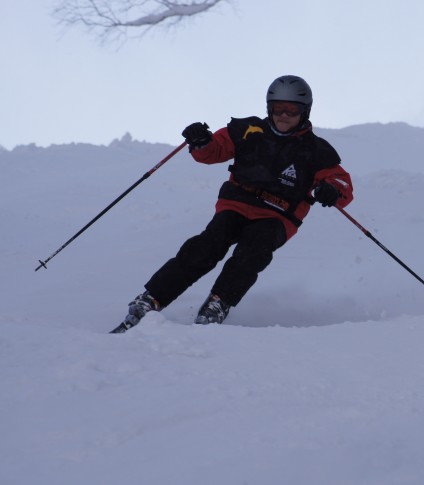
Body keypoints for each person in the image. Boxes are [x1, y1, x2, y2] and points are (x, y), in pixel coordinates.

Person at [111, 75, 353, 333]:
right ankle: (151, 298)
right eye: (277, 108)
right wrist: (201, 141)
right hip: (237, 204)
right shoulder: (248, 130)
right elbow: (213, 151)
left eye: (291, 110)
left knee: (254, 250)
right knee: (207, 245)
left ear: (305, 112)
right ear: (268, 108)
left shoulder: (316, 150)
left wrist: (332, 190)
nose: (283, 115)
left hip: (278, 215)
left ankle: (218, 304)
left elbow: (342, 183)